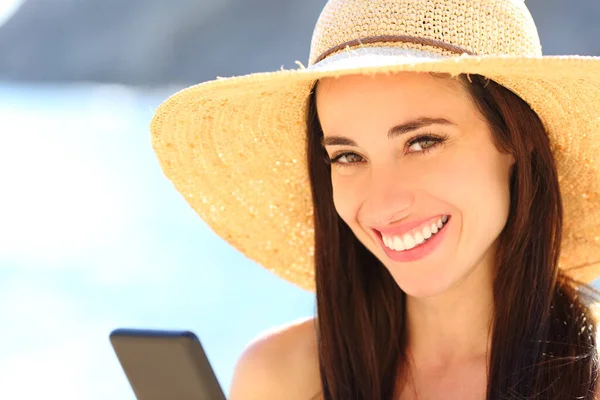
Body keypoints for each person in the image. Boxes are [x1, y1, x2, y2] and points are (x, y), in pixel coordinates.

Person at [149, 0, 600, 398]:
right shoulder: (280, 378)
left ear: (515, 145)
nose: (384, 204)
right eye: (347, 156)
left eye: (422, 142)